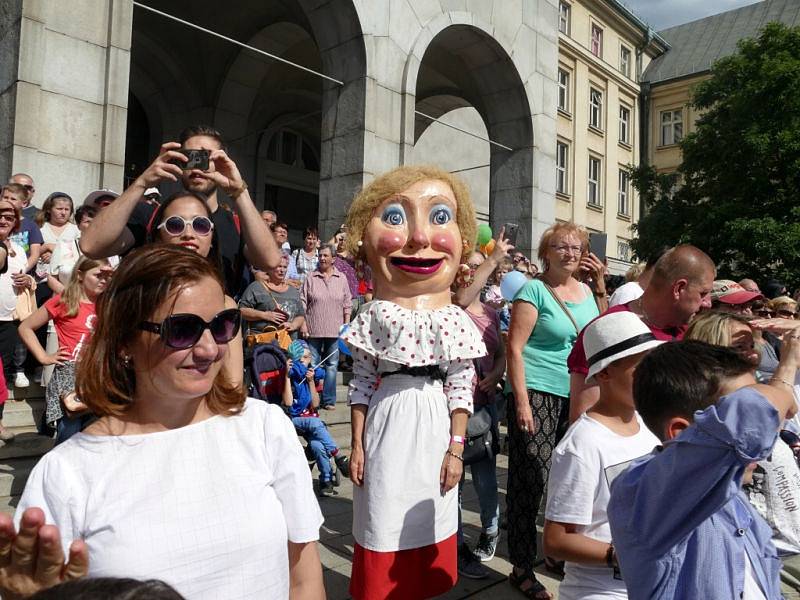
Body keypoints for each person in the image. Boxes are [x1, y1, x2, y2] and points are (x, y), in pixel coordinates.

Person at [7, 244, 325, 599]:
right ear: (125, 341)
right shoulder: (67, 471)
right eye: (183, 330)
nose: (209, 349)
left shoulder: (264, 427)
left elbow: (304, 575)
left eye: (221, 325)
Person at [342, 165, 485, 599]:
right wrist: (358, 444)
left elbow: (462, 386)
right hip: (387, 419)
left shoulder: (455, 320)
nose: (420, 238)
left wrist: (455, 449)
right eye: (395, 217)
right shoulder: (374, 315)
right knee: (382, 511)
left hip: (435, 421)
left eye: (440, 218)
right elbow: (362, 382)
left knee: (432, 512)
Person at [607, 339, 799, 600]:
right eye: (735, 406)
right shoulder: (643, 493)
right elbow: (753, 416)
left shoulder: (735, 501)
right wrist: (786, 375)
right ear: (681, 433)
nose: (767, 437)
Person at [505, 221, 602, 599]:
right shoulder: (534, 290)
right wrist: (522, 402)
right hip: (538, 391)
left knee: (568, 479)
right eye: (561, 246)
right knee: (531, 477)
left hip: (577, 394)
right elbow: (514, 348)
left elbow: (597, 335)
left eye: (577, 247)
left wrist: (602, 288)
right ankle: (521, 566)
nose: (570, 253)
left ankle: (555, 552)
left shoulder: (587, 291)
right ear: (546, 251)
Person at [78, 125, 280, 296]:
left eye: (208, 158)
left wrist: (238, 191)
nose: (197, 167)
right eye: (190, 158)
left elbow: (270, 261)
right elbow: (90, 245)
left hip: (215, 337)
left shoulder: (236, 223)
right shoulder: (151, 215)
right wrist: (141, 182)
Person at [543, 312, 661, 600]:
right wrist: (619, 556)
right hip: (601, 589)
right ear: (605, 373)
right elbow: (556, 540)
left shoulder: (649, 425)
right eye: (640, 368)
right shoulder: (583, 444)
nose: (653, 378)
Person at [687, 313, 800, 597]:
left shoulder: (758, 391)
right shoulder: (716, 408)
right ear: (709, 349)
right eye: (739, 346)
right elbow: (774, 411)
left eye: (752, 344)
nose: (752, 353)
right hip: (769, 558)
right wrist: (790, 360)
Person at [568, 244, 716, 422]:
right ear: (679, 289)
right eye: (703, 293)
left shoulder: (691, 332)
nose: (708, 303)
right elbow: (584, 417)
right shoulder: (605, 333)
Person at [145, 192, 243, 386]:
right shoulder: (138, 296)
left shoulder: (226, 305)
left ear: (212, 237)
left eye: (200, 225)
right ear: (157, 236)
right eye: (175, 225)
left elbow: (232, 386)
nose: (188, 234)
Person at [18, 258, 111, 444]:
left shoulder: (109, 303)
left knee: (96, 439)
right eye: (98, 275)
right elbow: (25, 327)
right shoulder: (64, 301)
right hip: (70, 378)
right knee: (69, 436)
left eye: (107, 276)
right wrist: (43, 357)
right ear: (80, 275)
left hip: (101, 376)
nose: (103, 280)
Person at [456, 250, 507, 577]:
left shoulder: (490, 314)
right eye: (470, 266)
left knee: (487, 479)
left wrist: (495, 375)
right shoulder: (454, 307)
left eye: (479, 266)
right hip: (456, 407)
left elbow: (501, 354)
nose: (473, 271)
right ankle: (456, 539)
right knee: (455, 479)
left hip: (484, 406)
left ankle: (490, 530)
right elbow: (462, 299)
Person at [284, 340, 350, 497]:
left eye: (307, 357)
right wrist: (286, 377)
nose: (306, 361)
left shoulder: (310, 375)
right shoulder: (290, 377)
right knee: (315, 422)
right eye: (303, 358)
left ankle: (326, 480)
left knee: (317, 445)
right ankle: (338, 456)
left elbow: (315, 403)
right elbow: (287, 403)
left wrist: (311, 382)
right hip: (293, 419)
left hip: (311, 418)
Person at [300, 244, 351, 410]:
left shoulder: (341, 278)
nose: (322, 258)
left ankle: (328, 400)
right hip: (313, 329)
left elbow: (347, 303)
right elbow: (302, 302)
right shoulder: (311, 277)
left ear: (333, 259)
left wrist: (346, 325)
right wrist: (303, 324)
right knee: (312, 364)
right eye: (320, 255)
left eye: (325, 256)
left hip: (335, 330)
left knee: (332, 366)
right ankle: (309, 399)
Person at [0, 199, 25, 441]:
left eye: (9, 217)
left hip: (7, 320)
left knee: (3, 373)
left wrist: (28, 281)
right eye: (0, 215)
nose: (3, 220)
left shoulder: (19, 248)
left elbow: (25, 277)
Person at [239, 252, 305, 339]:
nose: (282, 270)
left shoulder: (293, 291)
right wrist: (264, 315)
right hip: (262, 344)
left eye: (285, 267)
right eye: (279, 266)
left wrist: (293, 325)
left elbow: (300, 316)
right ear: (269, 268)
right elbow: (242, 311)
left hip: (287, 344)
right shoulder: (256, 287)